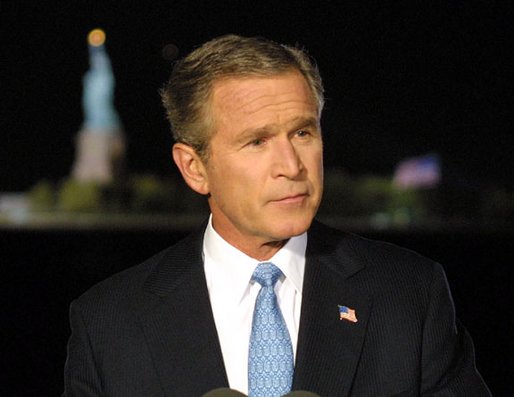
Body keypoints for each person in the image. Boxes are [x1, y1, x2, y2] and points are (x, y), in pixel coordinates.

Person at [63, 34, 491, 396]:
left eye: (303, 132)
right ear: (194, 168)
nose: (291, 164)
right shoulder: (109, 322)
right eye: (257, 141)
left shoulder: (410, 295)